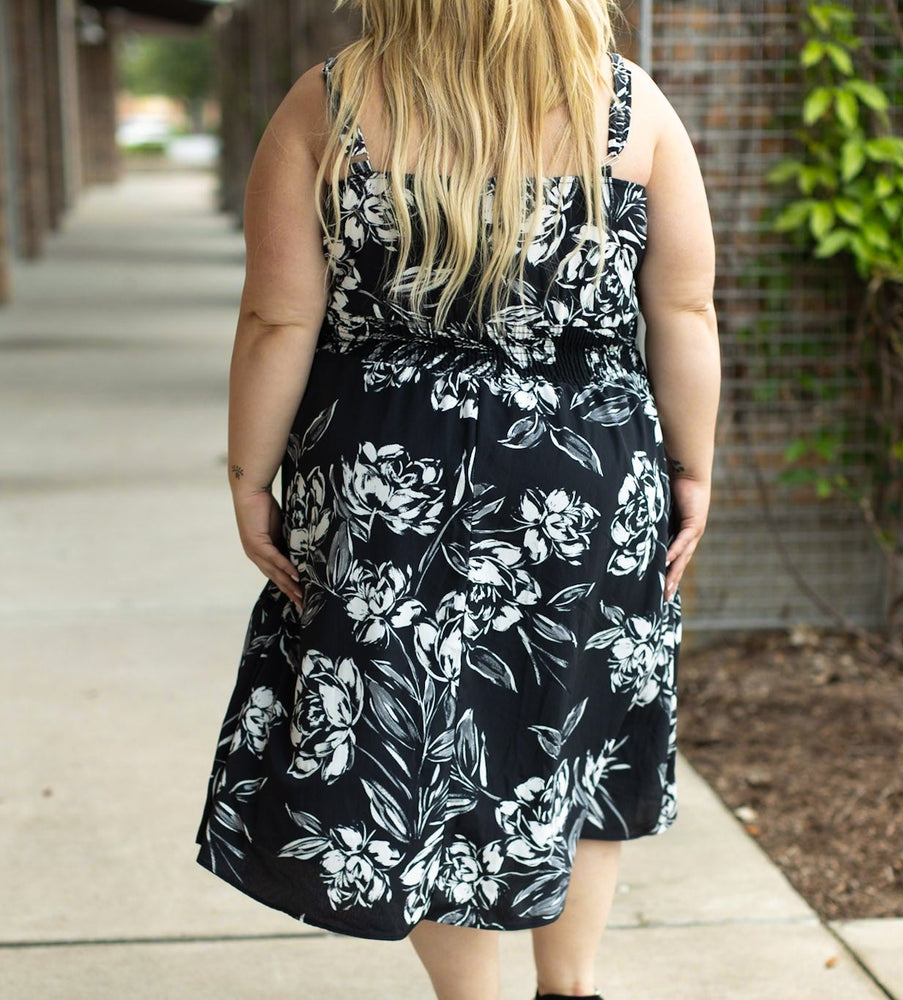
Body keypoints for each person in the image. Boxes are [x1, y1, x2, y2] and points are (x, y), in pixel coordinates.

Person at [194, 1, 719, 997]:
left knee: (424, 736)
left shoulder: (331, 104)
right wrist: (691, 468)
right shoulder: (627, 106)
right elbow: (684, 309)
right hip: (587, 475)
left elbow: (276, 317)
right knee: (576, 737)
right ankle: (569, 987)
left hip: (390, 483)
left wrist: (248, 475)